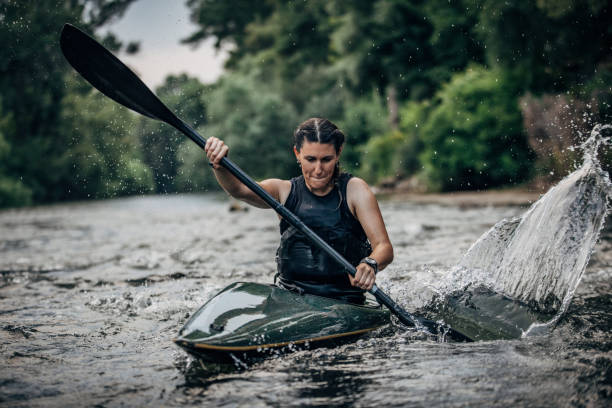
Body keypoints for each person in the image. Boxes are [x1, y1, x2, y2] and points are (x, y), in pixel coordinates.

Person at [205, 118, 393, 304]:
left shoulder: (355, 190)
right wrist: (219, 165)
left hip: (344, 300)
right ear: (297, 153)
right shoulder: (283, 191)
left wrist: (371, 264)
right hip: (290, 297)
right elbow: (239, 190)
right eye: (310, 159)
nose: (318, 169)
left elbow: (384, 247)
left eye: (326, 159)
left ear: (338, 153)